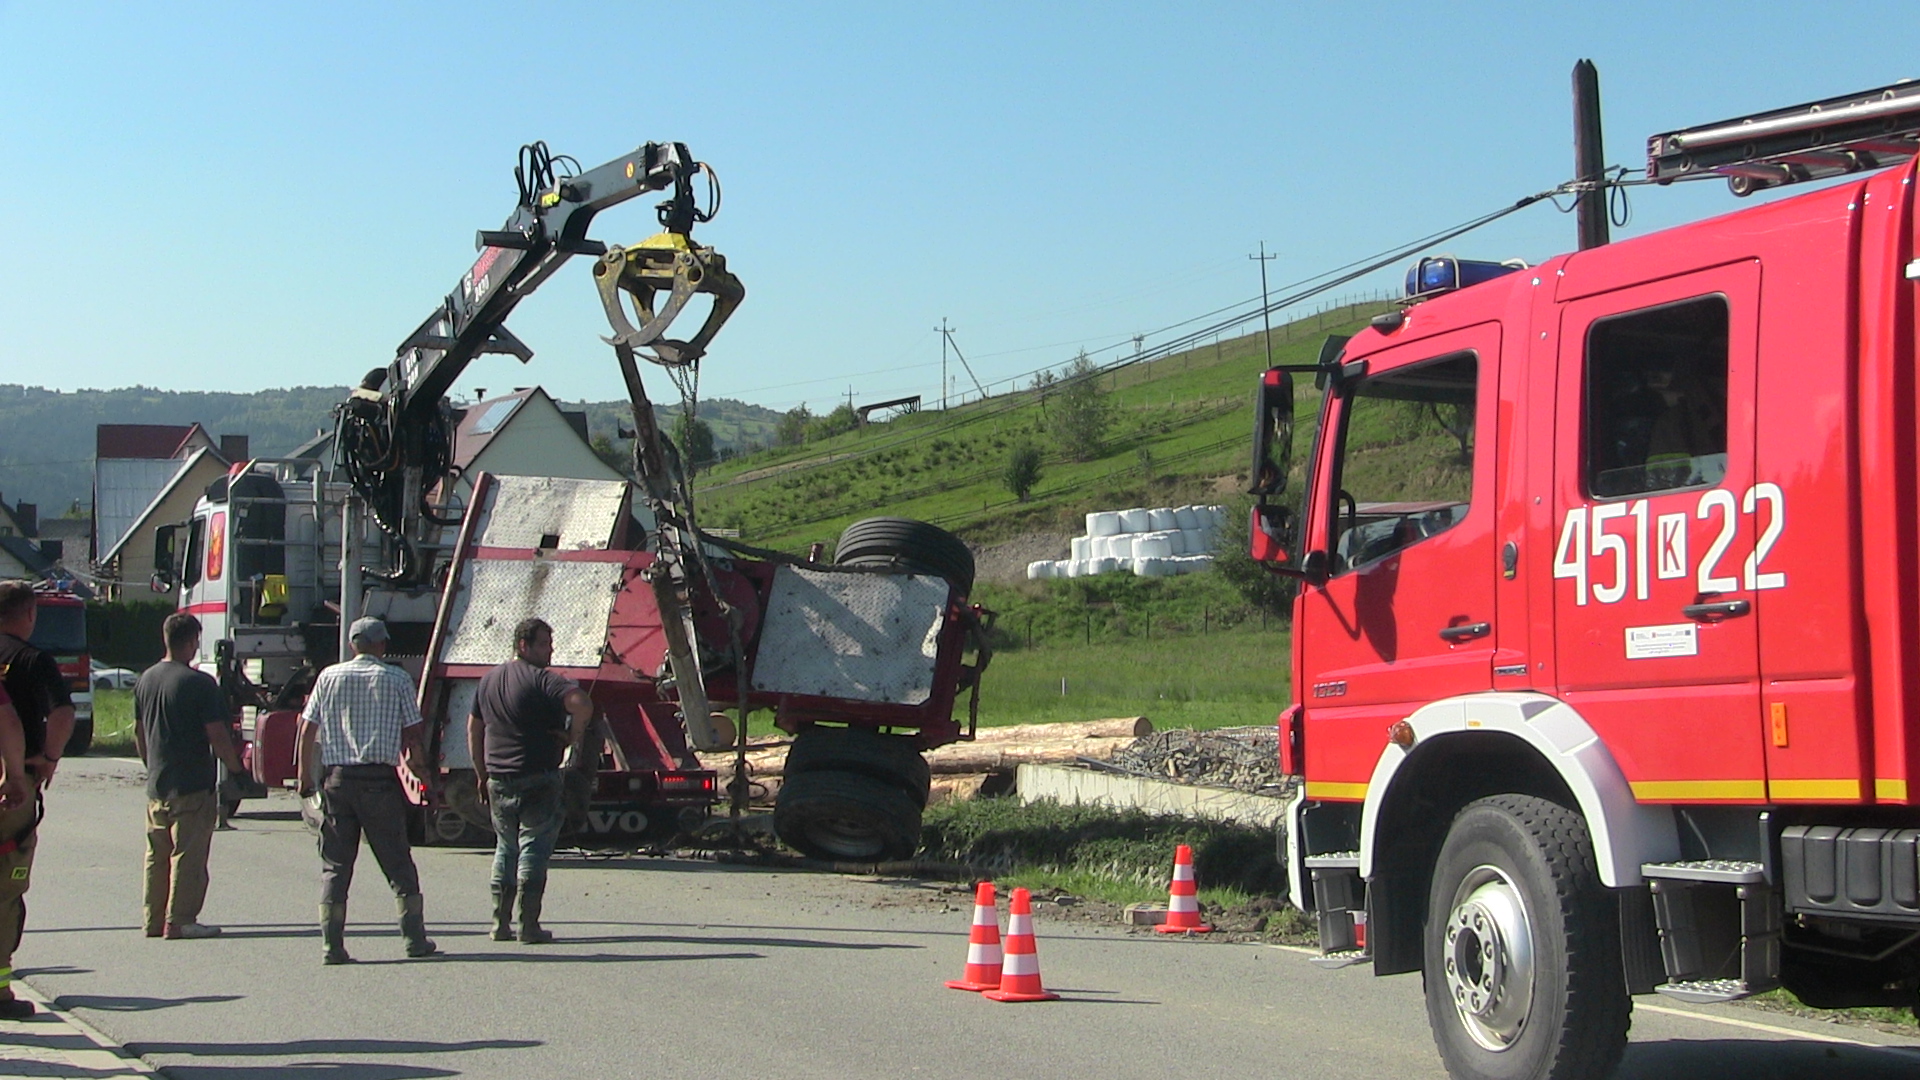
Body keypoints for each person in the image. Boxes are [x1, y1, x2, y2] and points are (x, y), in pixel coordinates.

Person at [296, 617, 436, 964]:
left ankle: (331, 945)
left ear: (351, 645)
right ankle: (414, 939)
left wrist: (304, 776)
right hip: (379, 782)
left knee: (336, 865)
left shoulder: (328, 677)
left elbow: (307, 729)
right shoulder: (397, 679)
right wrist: (423, 775)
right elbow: (413, 734)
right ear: (382, 645)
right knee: (398, 862)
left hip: (338, 781)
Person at [468, 617, 591, 944]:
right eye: (543, 644)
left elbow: (474, 729)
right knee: (534, 848)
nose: (550, 651)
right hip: (538, 777)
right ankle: (528, 924)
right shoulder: (544, 681)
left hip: (498, 778)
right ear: (523, 645)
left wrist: (481, 773)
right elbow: (582, 703)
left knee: (505, 848)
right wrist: (571, 737)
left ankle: (499, 923)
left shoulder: (488, 681)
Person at [133, 613, 246, 940]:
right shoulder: (199, 683)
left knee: (157, 855)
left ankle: (154, 920)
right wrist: (236, 769)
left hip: (158, 783)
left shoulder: (146, 679)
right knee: (188, 854)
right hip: (192, 783)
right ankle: (180, 920)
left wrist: (151, 765)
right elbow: (217, 734)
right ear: (193, 641)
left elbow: (139, 732)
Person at [0, 580, 76, 1020]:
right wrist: (47, 758)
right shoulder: (32, 660)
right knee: (6, 886)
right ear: (29, 614)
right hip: (11, 787)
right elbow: (62, 714)